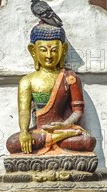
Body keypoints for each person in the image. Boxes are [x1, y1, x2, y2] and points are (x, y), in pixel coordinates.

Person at [6, 21, 96, 155]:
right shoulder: (27, 81)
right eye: (43, 50)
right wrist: (24, 132)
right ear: (33, 50)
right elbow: (24, 112)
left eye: (54, 50)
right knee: (12, 143)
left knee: (87, 141)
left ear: (63, 50)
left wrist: (65, 125)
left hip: (64, 130)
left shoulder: (70, 77)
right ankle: (53, 139)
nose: (49, 55)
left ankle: (55, 138)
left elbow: (78, 111)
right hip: (39, 132)